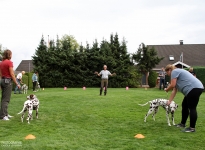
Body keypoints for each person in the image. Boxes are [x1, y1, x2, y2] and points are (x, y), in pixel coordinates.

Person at [164, 64, 204, 132]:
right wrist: (169, 101)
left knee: (192, 108)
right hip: (194, 89)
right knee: (184, 105)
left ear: (169, 70)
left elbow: (172, 85)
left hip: (194, 88)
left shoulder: (174, 71)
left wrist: (167, 89)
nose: (167, 74)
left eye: (167, 72)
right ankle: (182, 124)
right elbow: (174, 90)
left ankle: (192, 128)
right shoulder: (177, 74)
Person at [0, 49, 21, 120]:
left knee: (3, 98)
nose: (12, 55)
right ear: (9, 55)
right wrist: (17, 83)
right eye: (11, 54)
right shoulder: (9, 63)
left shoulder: (1, 63)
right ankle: (3, 116)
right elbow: (12, 74)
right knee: (6, 99)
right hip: (7, 81)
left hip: (2, 80)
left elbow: (0, 74)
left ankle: (5, 113)